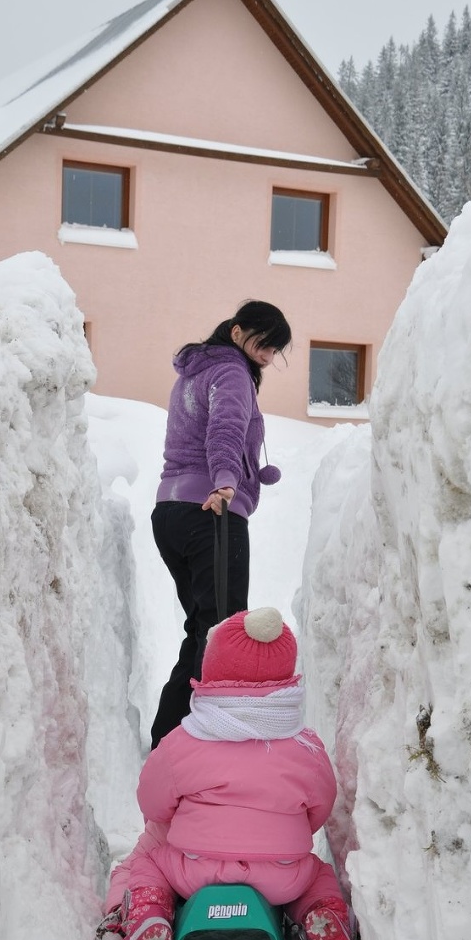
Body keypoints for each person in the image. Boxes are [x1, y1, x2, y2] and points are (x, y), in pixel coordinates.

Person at [96, 608, 366, 940]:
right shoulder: (305, 746)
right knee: (318, 875)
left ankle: (148, 915)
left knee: (147, 863)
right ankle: (323, 916)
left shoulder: (183, 742)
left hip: (194, 869)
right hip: (280, 876)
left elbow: (152, 802)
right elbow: (320, 809)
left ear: (212, 670)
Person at [149, 300, 292, 749]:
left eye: (275, 350)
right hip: (211, 510)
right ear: (236, 332)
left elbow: (204, 432)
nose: (267, 356)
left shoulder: (194, 372)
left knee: (204, 631)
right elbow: (225, 430)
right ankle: (193, 746)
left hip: (171, 511)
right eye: (264, 344)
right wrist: (228, 481)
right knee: (222, 636)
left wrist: (249, 472)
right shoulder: (231, 372)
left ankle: (169, 740)